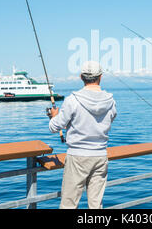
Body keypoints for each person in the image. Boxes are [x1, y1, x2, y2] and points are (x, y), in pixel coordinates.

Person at [48, 61, 117, 209]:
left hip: (77, 156)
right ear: (100, 77)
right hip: (100, 155)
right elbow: (110, 118)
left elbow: (54, 127)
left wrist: (54, 116)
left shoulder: (72, 100)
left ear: (81, 77)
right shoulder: (110, 101)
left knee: (69, 204)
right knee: (96, 204)